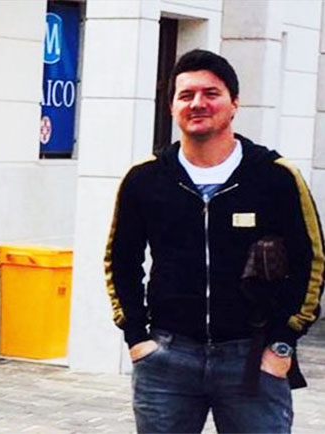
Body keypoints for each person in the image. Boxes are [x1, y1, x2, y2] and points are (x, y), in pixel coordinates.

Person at [105, 49, 324, 433]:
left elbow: (312, 261)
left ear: (234, 103)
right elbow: (120, 260)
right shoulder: (146, 180)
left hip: (252, 357)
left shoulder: (275, 176)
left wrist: (282, 342)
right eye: (186, 95)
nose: (197, 104)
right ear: (172, 106)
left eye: (211, 93)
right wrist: (137, 338)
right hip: (167, 360)